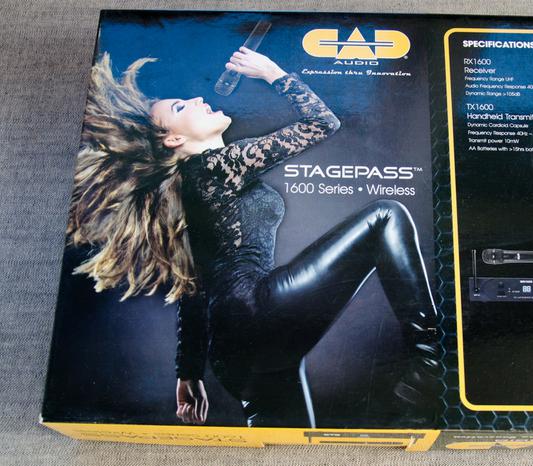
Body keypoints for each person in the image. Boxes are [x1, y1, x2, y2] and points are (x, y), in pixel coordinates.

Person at [67, 46, 442, 428]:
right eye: (180, 107)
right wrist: (272, 73)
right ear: (173, 140)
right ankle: (430, 367)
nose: (196, 99)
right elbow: (322, 123)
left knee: (291, 444)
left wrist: (189, 372)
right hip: (258, 315)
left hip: (234, 356)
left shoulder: (190, 193)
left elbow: (194, 289)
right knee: (386, 216)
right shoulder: (213, 166)